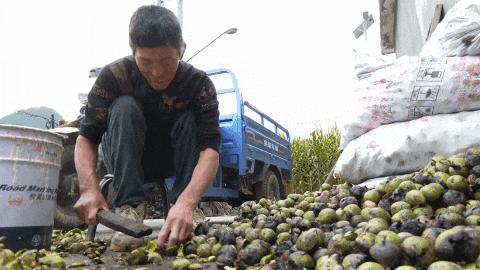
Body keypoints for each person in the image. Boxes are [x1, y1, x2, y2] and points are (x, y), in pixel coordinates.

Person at [73, 5, 220, 251]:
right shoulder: (113, 76)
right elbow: (86, 139)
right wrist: (88, 188)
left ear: (181, 50)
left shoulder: (198, 84)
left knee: (188, 117)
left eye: (166, 61)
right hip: (124, 155)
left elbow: (210, 150)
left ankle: (183, 212)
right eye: (145, 61)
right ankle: (129, 209)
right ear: (134, 53)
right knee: (124, 106)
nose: (157, 72)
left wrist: (188, 202)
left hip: (169, 157)